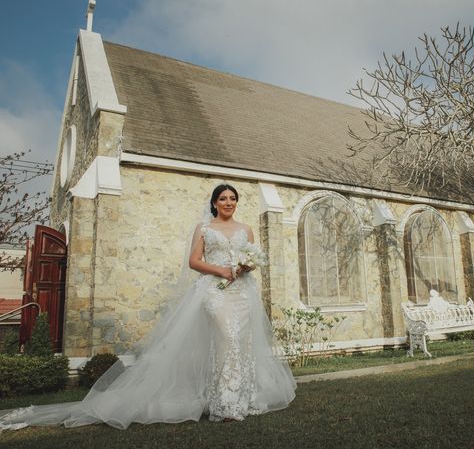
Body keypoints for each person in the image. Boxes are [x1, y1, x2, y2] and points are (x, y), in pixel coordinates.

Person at [0, 183, 296, 430]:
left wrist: (245, 269)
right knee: (225, 340)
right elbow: (194, 261)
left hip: (242, 295)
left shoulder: (246, 229)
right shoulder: (204, 228)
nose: (228, 202)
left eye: (232, 198)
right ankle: (224, 403)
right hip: (214, 293)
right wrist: (222, 271)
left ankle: (241, 398)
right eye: (223, 198)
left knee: (241, 344)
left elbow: (253, 260)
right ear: (214, 203)